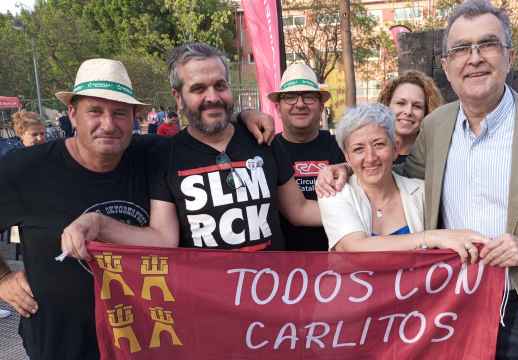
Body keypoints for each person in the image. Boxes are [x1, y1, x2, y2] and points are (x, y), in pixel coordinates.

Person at [316, 1, 518, 359]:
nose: (474, 58)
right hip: (456, 307)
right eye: (460, 49)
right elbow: (402, 182)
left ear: (509, 55)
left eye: (487, 44)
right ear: (447, 65)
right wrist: (350, 169)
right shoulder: (435, 127)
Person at [62, 42, 320, 259]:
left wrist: (359, 203)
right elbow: (164, 238)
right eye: (198, 89)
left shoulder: (263, 138)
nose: (213, 97)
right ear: (178, 97)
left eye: (220, 85)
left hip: (271, 298)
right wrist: (97, 224)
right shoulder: (164, 155)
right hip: (205, 307)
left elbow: (299, 210)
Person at [0, 58, 157, 360]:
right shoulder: (27, 168)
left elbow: (204, 140)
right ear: (72, 114)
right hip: (60, 347)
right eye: (95, 111)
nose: (109, 124)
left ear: (135, 117)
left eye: (120, 113)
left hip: (139, 342)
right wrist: (3, 278)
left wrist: (248, 120)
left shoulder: (153, 155)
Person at [319, 103, 487, 260]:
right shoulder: (334, 193)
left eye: (378, 144)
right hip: (358, 291)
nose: (370, 158)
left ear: (395, 148)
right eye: (358, 149)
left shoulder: (422, 192)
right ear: (347, 157)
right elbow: (355, 247)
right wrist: (431, 237)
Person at [268, 63, 344, 251]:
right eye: (290, 97)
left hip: (334, 263)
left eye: (309, 97)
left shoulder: (343, 147)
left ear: (321, 106)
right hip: (281, 269)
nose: (300, 104)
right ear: (278, 108)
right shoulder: (266, 150)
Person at [377, 70, 444, 164]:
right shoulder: (371, 154)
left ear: (427, 112)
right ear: (387, 105)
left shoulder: (437, 158)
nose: (408, 112)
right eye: (401, 103)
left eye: (417, 106)